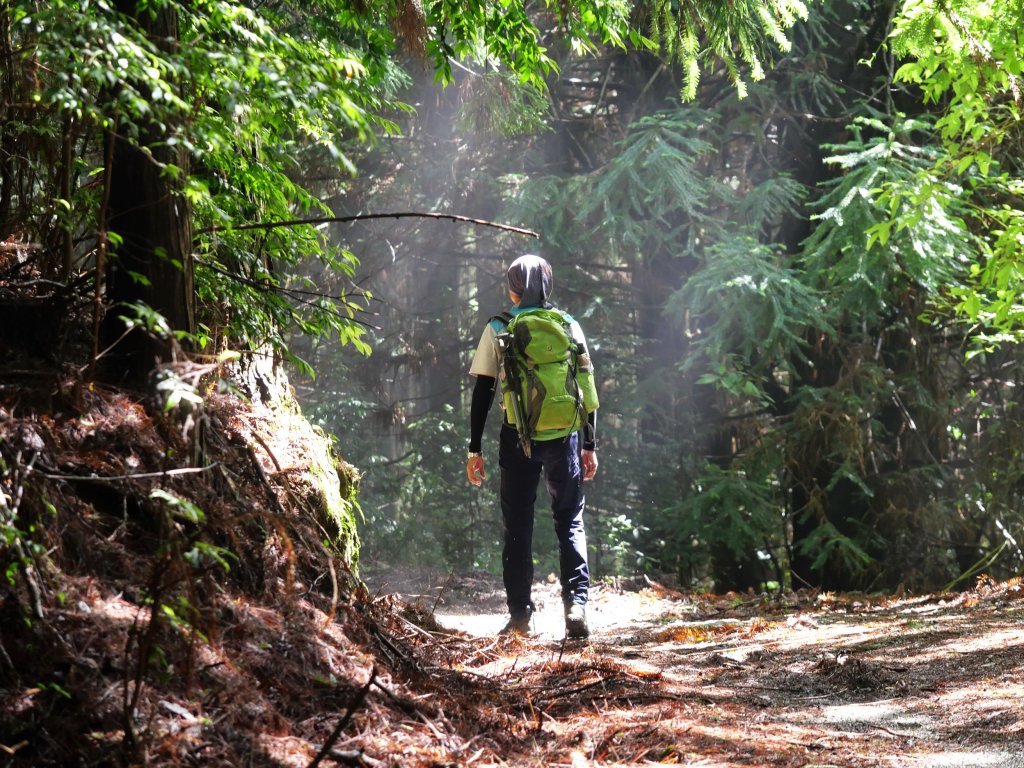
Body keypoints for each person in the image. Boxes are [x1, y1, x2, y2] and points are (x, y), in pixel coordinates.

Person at [465, 254, 599, 639]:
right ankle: (576, 607)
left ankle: (521, 616)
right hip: (564, 438)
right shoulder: (568, 325)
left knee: (518, 526)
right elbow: (585, 387)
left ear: (512, 290)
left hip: (516, 439)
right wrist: (589, 443)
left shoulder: (499, 327)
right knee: (570, 520)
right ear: (549, 287)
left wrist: (474, 449)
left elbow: (483, 391)